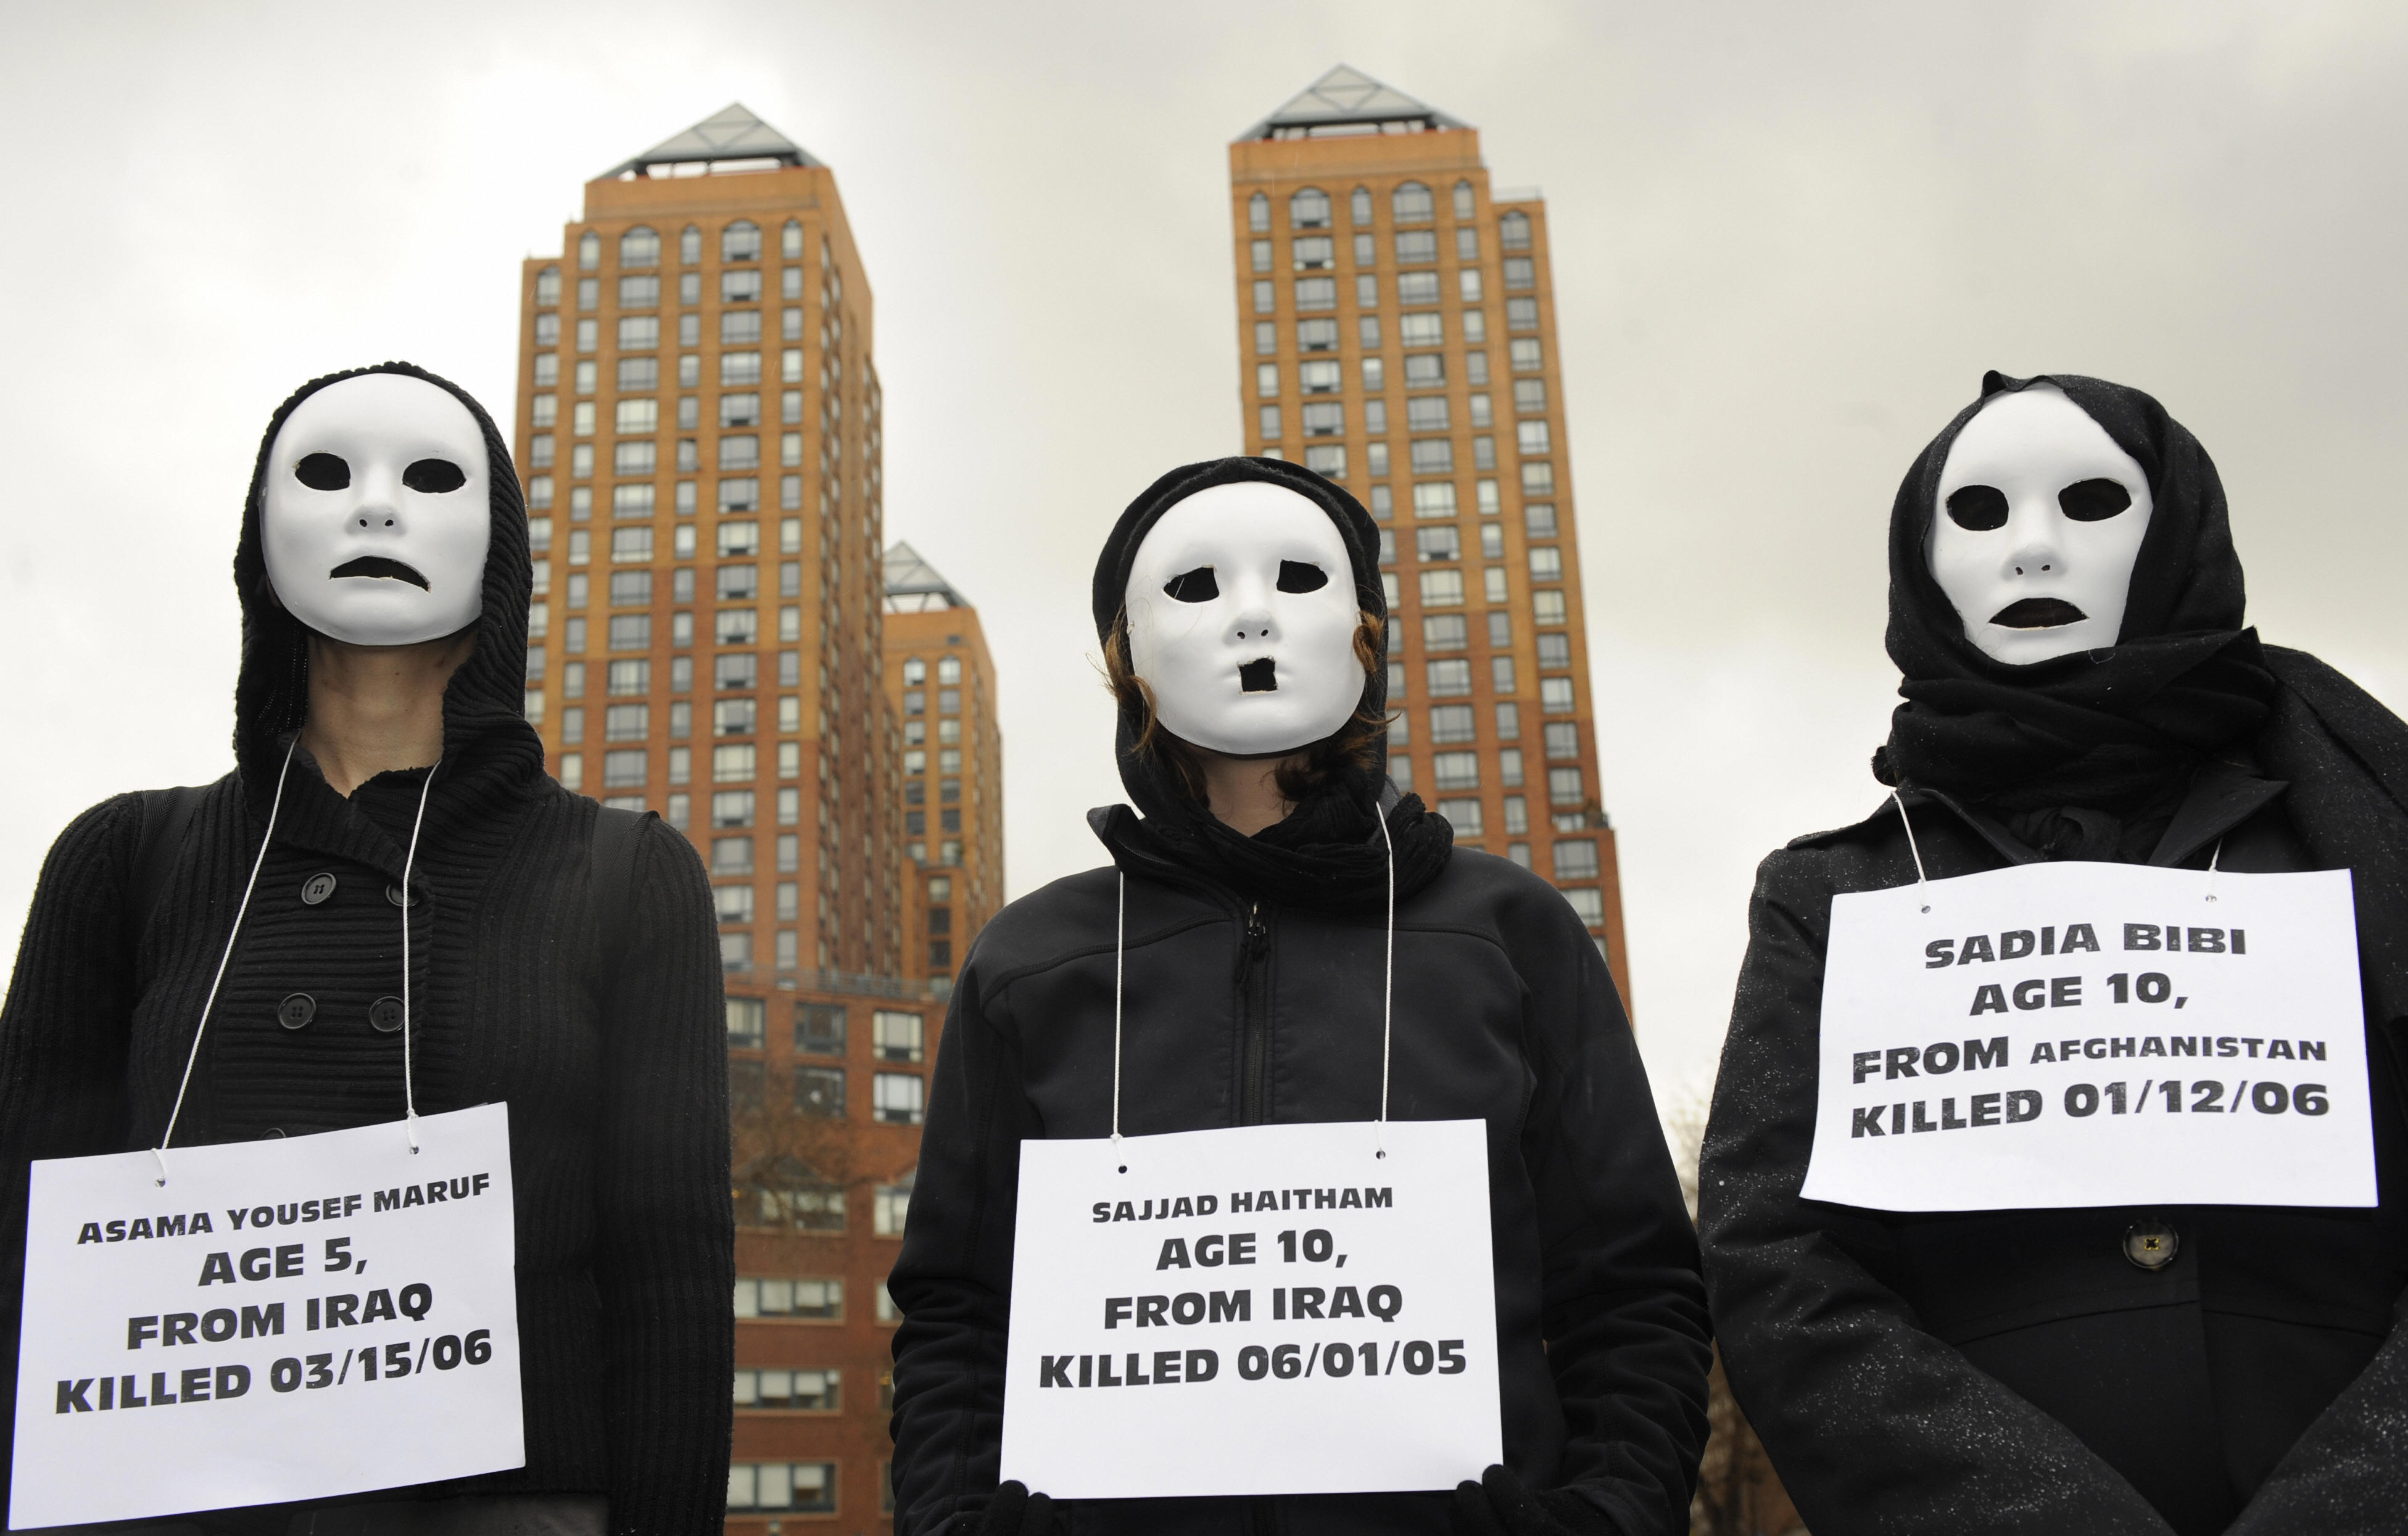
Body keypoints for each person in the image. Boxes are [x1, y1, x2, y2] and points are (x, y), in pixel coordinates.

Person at [888, 456, 1709, 1536]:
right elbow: (956, 1307)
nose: (1252, 619)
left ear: (1367, 630)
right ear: (1125, 660)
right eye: (1197, 587)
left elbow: (1634, 1285)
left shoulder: (1508, 932)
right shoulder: (1031, 964)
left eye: (1296, 579)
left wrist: (1603, 1515)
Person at [0, 363, 732, 1534]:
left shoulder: (630, 877)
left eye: (430, 478)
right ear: (259, 535)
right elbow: (21, 1251)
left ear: (498, 550)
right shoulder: (120, 860)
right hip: (163, 1495)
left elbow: (671, 1277)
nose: (375, 507)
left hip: (506, 1507)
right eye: (327, 473)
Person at [1701, 372, 2408, 1535]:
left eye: (2090, 503)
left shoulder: (2359, 840)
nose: (2034, 550)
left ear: (2177, 531)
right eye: (1981, 513)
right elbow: (1777, 1258)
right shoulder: (1835, 893)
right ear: (1922, 562)